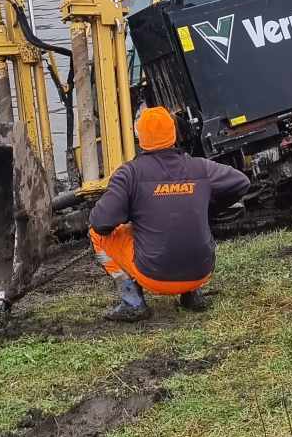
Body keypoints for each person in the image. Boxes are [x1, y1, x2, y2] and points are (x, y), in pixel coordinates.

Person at [88, 105, 249, 321]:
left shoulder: (129, 173)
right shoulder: (201, 167)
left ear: (140, 137)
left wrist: (132, 215)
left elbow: (100, 223)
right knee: (188, 219)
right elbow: (241, 182)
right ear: (173, 133)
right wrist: (207, 208)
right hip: (201, 272)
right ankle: (192, 296)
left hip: (153, 277)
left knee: (96, 235)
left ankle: (132, 303)